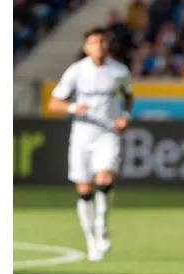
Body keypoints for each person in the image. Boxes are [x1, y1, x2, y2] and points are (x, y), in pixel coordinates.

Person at [47, 27, 134, 261]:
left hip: (107, 134)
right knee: (84, 191)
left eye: (103, 41)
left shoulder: (119, 71)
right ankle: (91, 240)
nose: (100, 46)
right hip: (82, 135)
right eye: (94, 42)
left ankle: (102, 228)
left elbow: (128, 95)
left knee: (105, 179)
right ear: (86, 48)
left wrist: (125, 116)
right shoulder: (76, 72)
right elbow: (54, 103)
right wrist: (74, 108)